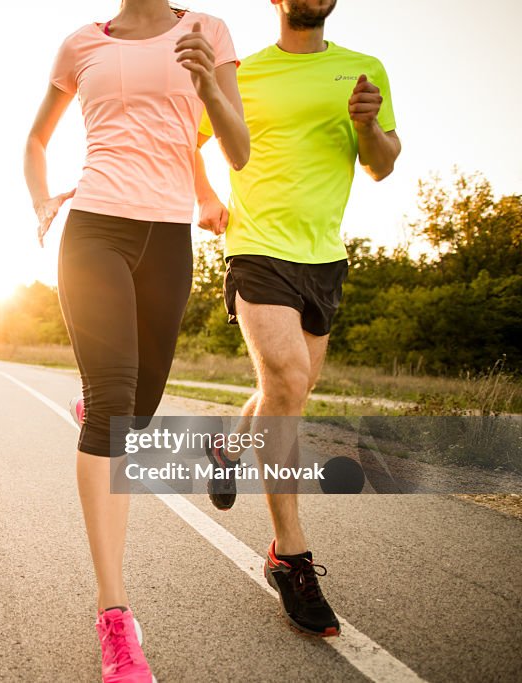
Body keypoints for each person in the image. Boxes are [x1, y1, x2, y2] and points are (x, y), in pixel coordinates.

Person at [24, 2, 249, 680]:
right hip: (93, 229)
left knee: (135, 414)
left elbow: (239, 148)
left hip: (166, 240)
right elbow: (36, 140)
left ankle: (133, 423)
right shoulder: (80, 44)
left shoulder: (208, 31)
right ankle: (115, 617)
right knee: (116, 408)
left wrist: (211, 86)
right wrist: (40, 197)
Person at [197, 0, 401, 637]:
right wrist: (205, 197)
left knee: (290, 388)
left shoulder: (363, 70)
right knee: (285, 382)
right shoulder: (243, 73)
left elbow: (382, 162)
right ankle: (289, 556)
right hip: (256, 248)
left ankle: (227, 445)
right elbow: (182, 138)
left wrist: (367, 127)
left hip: (325, 258)